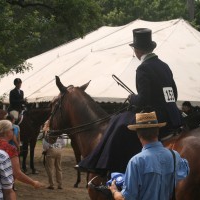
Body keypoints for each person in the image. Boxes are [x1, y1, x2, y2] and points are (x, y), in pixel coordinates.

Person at [78, 28, 182, 174]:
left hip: (155, 115)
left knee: (117, 122)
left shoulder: (143, 68)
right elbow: (173, 94)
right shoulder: (164, 66)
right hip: (173, 114)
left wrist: (132, 98)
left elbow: (143, 100)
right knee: (120, 120)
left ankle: (109, 169)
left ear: (137, 50)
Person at [108, 111, 189, 200]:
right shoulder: (174, 156)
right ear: (157, 131)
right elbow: (184, 172)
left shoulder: (135, 161)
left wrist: (114, 191)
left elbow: (126, 198)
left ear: (138, 135)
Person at [0, 120, 43, 189]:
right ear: (8, 132)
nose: (14, 131)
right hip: (3, 186)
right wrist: (33, 183)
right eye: (12, 129)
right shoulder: (10, 149)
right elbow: (17, 173)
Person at [42, 119, 65, 190]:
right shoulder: (60, 133)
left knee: (50, 168)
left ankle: (51, 184)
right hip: (59, 150)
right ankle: (60, 184)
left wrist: (45, 151)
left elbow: (45, 145)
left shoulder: (48, 133)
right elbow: (64, 144)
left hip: (51, 150)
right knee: (59, 168)